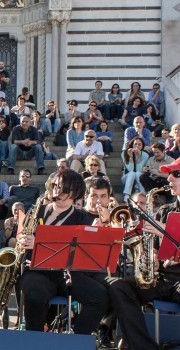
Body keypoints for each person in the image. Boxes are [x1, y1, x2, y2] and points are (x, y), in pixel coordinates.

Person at [20, 169, 109, 335]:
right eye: (56, 186)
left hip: (67, 274)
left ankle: (76, 339)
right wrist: (24, 242)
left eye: (65, 190)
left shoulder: (84, 218)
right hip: (37, 271)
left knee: (100, 296)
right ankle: (35, 339)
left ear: (75, 194)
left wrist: (103, 225)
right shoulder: (36, 211)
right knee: (34, 290)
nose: (58, 192)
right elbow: (22, 241)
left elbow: (90, 251)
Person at [107, 157, 180, 350]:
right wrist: (153, 256)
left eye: (176, 174)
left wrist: (166, 230)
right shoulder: (164, 210)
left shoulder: (164, 219)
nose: (170, 179)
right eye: (170, 174)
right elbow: (155, 246)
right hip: (164, 278)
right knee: (119, 287)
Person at [122, 136, 149, 202]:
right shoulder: (124, 153)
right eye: (135, 144)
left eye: (139, 144)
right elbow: (130, 169)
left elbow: (139, 170)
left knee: (137, 173)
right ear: (132, 145)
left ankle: (143, 193)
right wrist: (131, 157)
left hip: (139, 176)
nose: (137, 146)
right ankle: (127, 195)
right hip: (126, 177)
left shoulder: (145, 155)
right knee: (132, 173)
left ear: (142, 146)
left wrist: (139, 156)